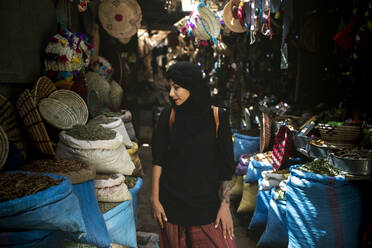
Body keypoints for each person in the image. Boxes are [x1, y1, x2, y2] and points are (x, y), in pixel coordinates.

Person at [151, 61, 236, 248]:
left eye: (177, 88)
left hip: (208, 209)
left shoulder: (218, 117)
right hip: (172, 208)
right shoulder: (168, 116)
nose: (171, 94)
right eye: (170, 88)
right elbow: (159, 159)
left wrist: (225, 205)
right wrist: (155, 199)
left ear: (192, 87)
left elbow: (226, 167)